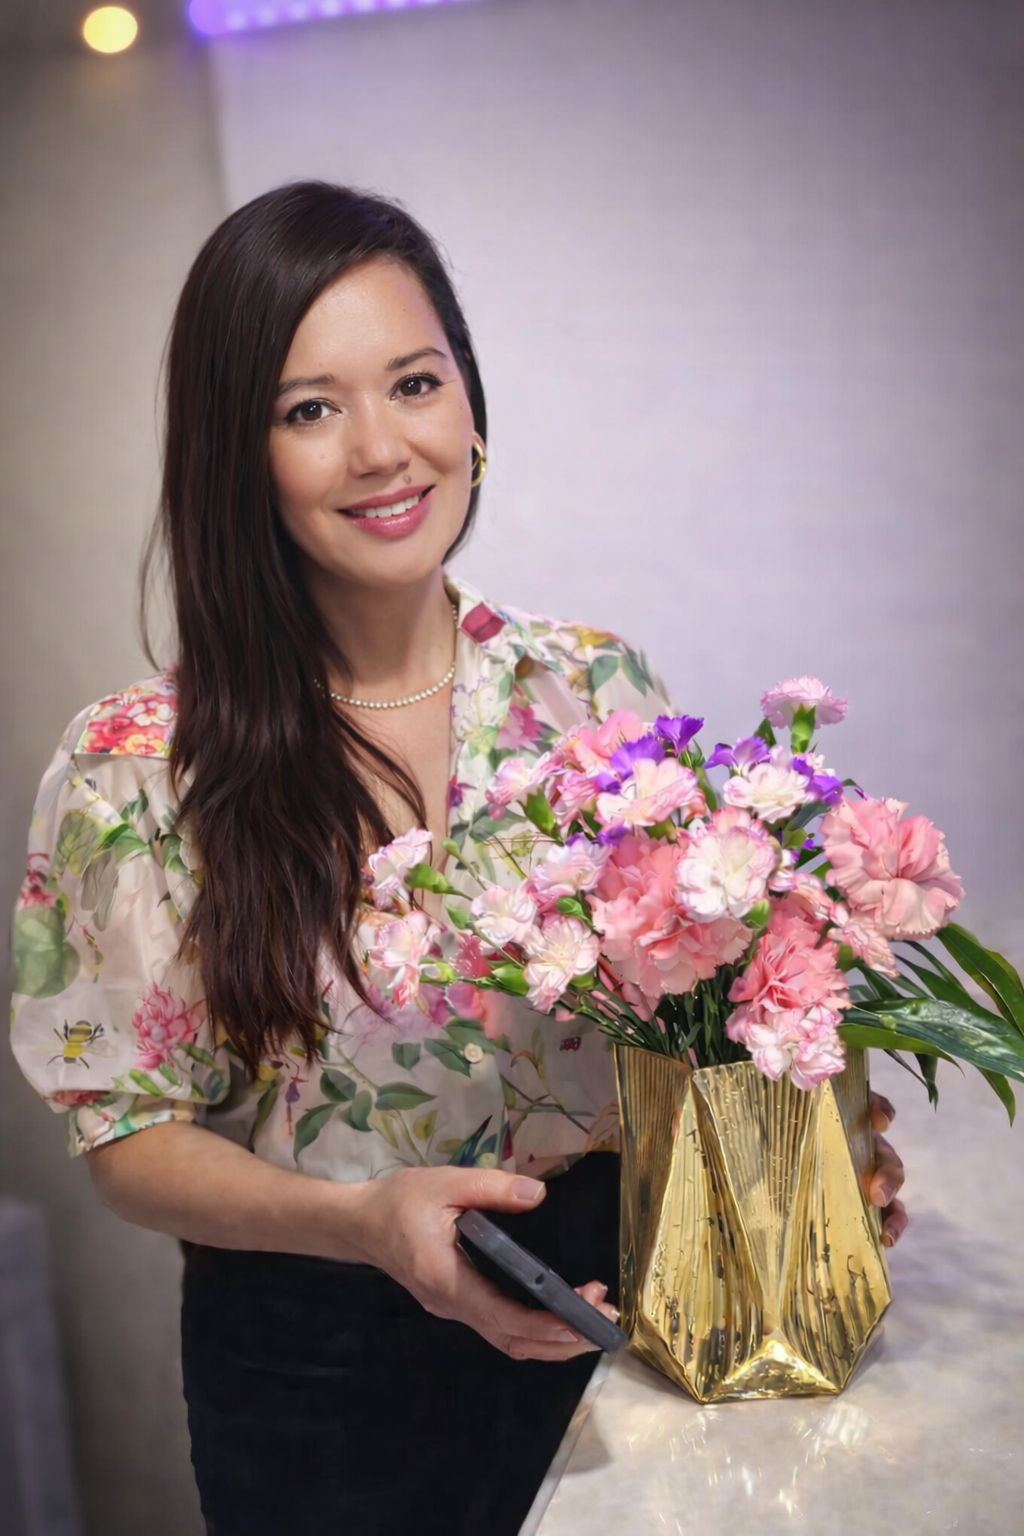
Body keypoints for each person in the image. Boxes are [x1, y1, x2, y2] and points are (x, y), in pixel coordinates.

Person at [9, 182, 907, 1535]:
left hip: (620, 1304)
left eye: (415, 383)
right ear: (236, 453)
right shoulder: (136, 762)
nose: (383, 449)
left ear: (471, 405)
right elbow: (127, 1137)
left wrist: (813, 1153)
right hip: (323, 1373)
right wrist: (366, 1220)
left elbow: (699, 1015)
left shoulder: (593, 693)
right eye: (310, 409)